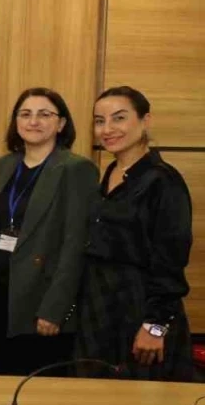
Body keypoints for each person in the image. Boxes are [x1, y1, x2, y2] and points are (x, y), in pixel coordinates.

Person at [77, 86, 193, 381]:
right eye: (100, 121)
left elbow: (170, 260)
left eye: (119, 118)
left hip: (140, 309)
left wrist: (155, 326)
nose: (107, 129)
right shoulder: (110, 172)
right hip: (100, 307)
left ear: (145, 120)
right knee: (92, 398)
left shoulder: (163, 180)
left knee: (139, 400)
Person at [0, 87, 97, 376]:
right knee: (4, 381)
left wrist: (54, 308)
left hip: (41, 300)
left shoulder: (76, 169)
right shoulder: (5, 165)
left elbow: (75, 245)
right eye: (25, 114)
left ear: (61, 123)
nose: (33, 121)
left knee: (40, 387)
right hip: (1, 294)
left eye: (44, 114)